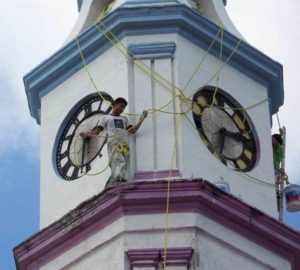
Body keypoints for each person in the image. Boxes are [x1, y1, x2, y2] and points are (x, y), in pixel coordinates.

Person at [80, 97, 147, 188]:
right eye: (121, 106)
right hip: (113, 143)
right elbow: (96, 132)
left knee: (122, 164)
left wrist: (142, 118)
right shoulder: (105, 118)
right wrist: (86, 134)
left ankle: (114, 181)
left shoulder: (124, 119)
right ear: (114, 105)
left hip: (124, 144)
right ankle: (118, 180)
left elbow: (133, 130)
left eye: (123, 108)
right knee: (119, 161)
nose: (122, 109)